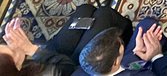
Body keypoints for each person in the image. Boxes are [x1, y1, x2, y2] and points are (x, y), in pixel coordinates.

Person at [1, 7, 134, 76]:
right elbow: (68, 68)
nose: (11, 45)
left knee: (85, 10)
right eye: (12, 50)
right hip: (71, 68)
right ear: (16, 68)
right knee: (104, 15)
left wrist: (27, 49)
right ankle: (124, 39)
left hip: (49, 58)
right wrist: (30, 49)